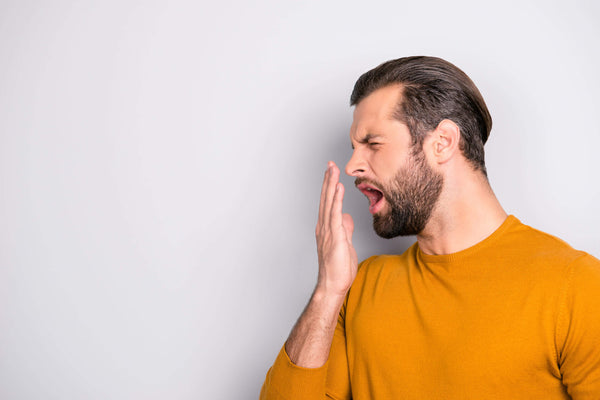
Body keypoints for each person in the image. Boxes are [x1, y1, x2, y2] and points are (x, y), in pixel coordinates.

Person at [260, 56, 600, 399]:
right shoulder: (360, 287)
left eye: (373, 144)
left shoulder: (575, 285)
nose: (352, 166)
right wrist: (328, 292)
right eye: (354, 148)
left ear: (442, 143)